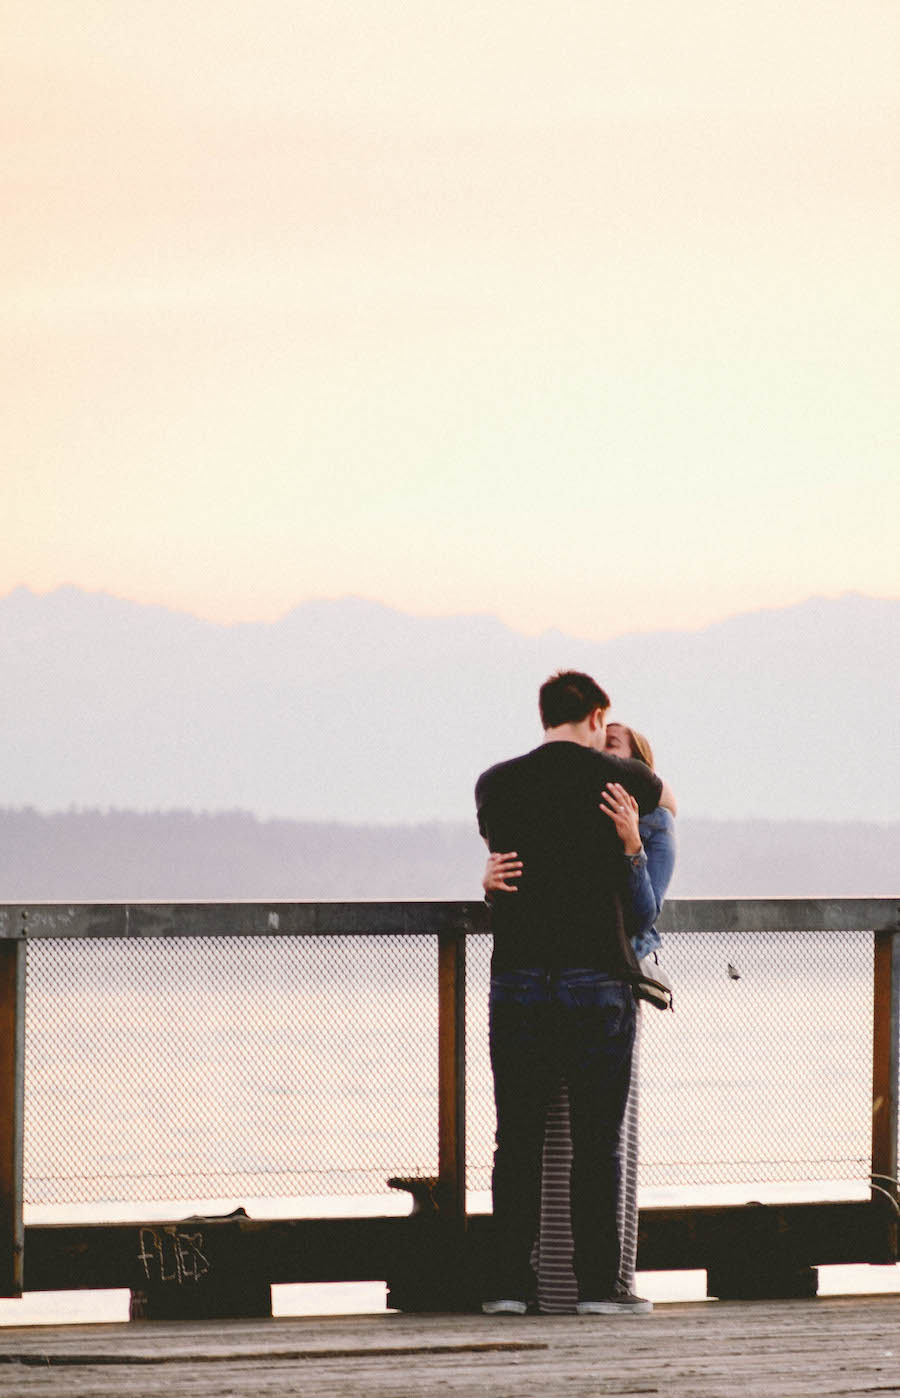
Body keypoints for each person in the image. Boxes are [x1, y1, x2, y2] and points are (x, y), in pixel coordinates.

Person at [475, 672, 671, 1316]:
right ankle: (599, 1290)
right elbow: (668, 797)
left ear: (543, 716)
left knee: (517, 1138)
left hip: (519, 976)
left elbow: (503, 857)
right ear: (595, 715)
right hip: (596, 978)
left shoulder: (496, 782)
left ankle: (506, 1285)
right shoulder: (621, 782)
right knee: (598, 1140)